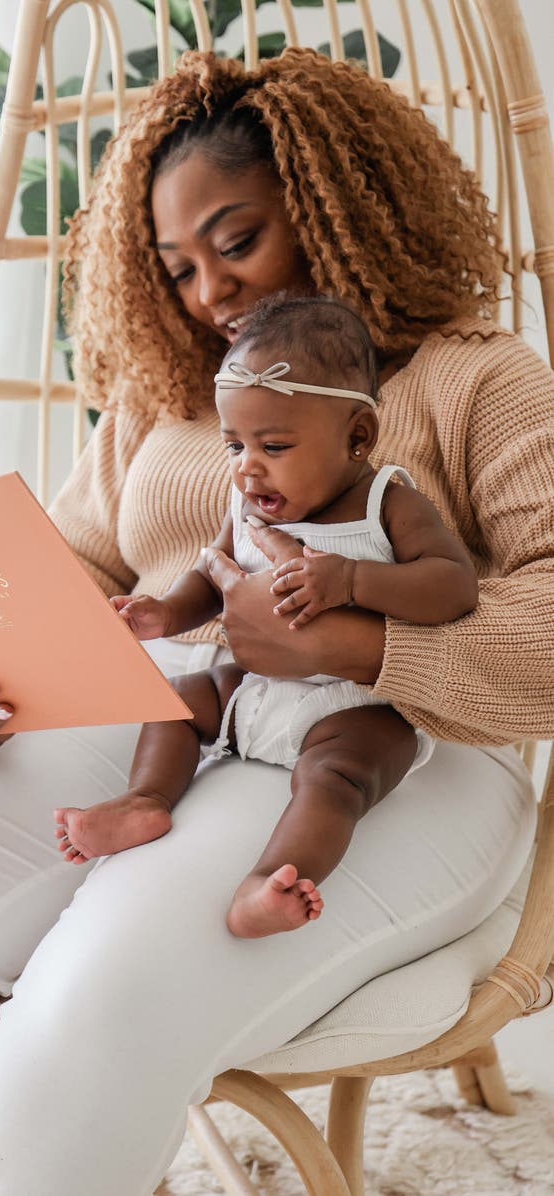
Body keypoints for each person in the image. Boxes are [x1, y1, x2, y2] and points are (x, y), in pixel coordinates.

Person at [0, 46, 551, 1196]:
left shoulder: (478, 376)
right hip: (184, 712)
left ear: (334, 210)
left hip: (391, 751)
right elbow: (76, 567)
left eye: (238, 240)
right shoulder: (176, 396)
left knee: (103, 983)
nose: (209, 292)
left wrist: (349, 637)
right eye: (177, 267)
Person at [53, 295, 479, 939]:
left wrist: (354, 579)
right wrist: (164, 613)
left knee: (337, 781)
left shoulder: (387, 503)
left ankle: (271, 881)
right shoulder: (248, 501)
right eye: (234, 444)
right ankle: (145, 799)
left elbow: (453, 587)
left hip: (356, 706)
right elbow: (213, 570)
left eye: (274, 445)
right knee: (176, 701)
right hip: (251, 688)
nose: (248, 467)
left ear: (357, 438)